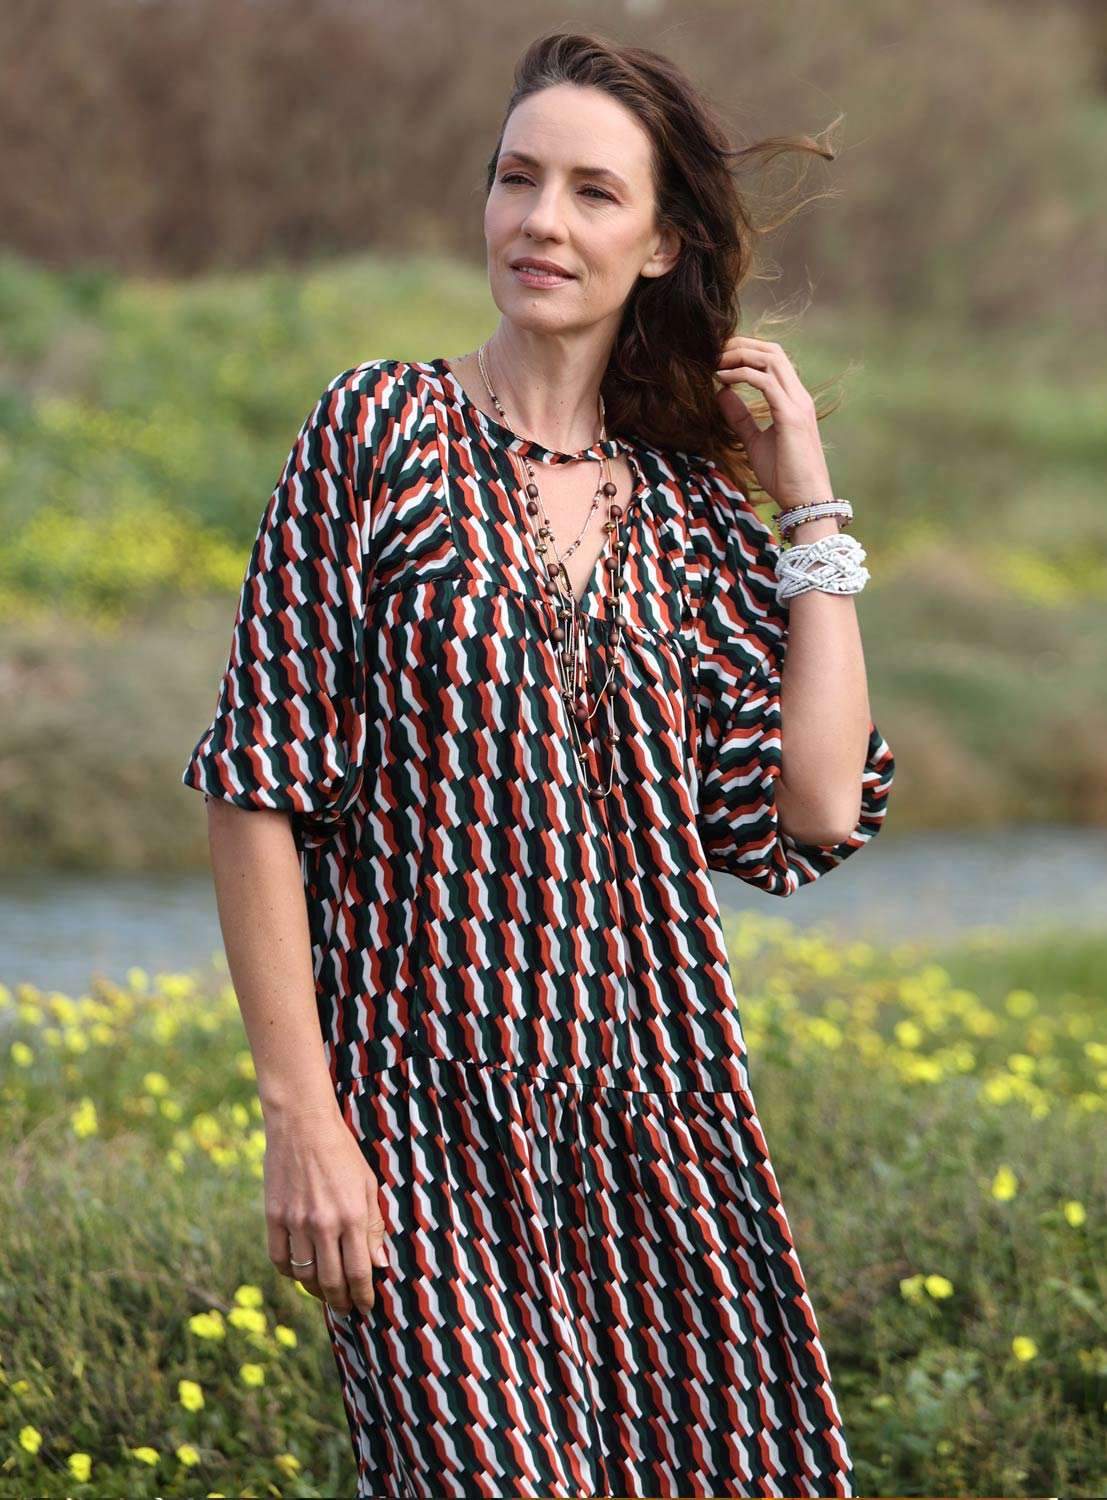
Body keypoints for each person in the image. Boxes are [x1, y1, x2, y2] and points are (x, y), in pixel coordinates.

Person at [182, 29, 894, 1500]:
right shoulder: (375, 433)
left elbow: (815, 808)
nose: (541, 222)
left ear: (661, 243)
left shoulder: (693, 513)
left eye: (591, 192)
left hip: (660, 1120)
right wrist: (301, 1117)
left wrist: (809, 510)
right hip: (419, 1122)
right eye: (517, 180)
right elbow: (259, 790)